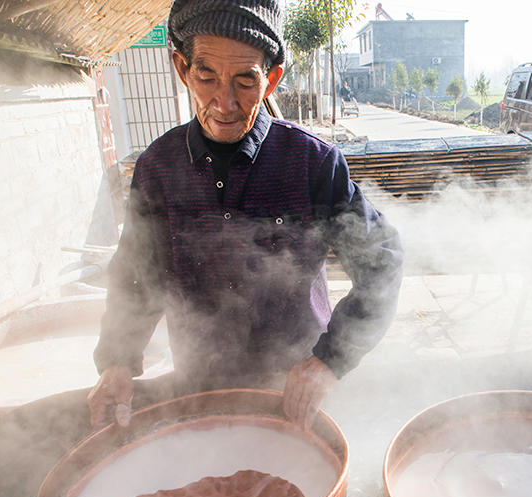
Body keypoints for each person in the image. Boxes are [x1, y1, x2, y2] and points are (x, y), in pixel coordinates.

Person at [88, 0, 404, 430]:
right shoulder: (157, 168)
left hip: (296, 393)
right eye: (207, 77)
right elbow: (135, 276)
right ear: (182, 69)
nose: (225, 103)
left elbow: (382, 261)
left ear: (270, 80)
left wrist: (329, 361)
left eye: (245, 81)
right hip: (201, 392)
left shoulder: (311, 162)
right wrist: (117, 362)